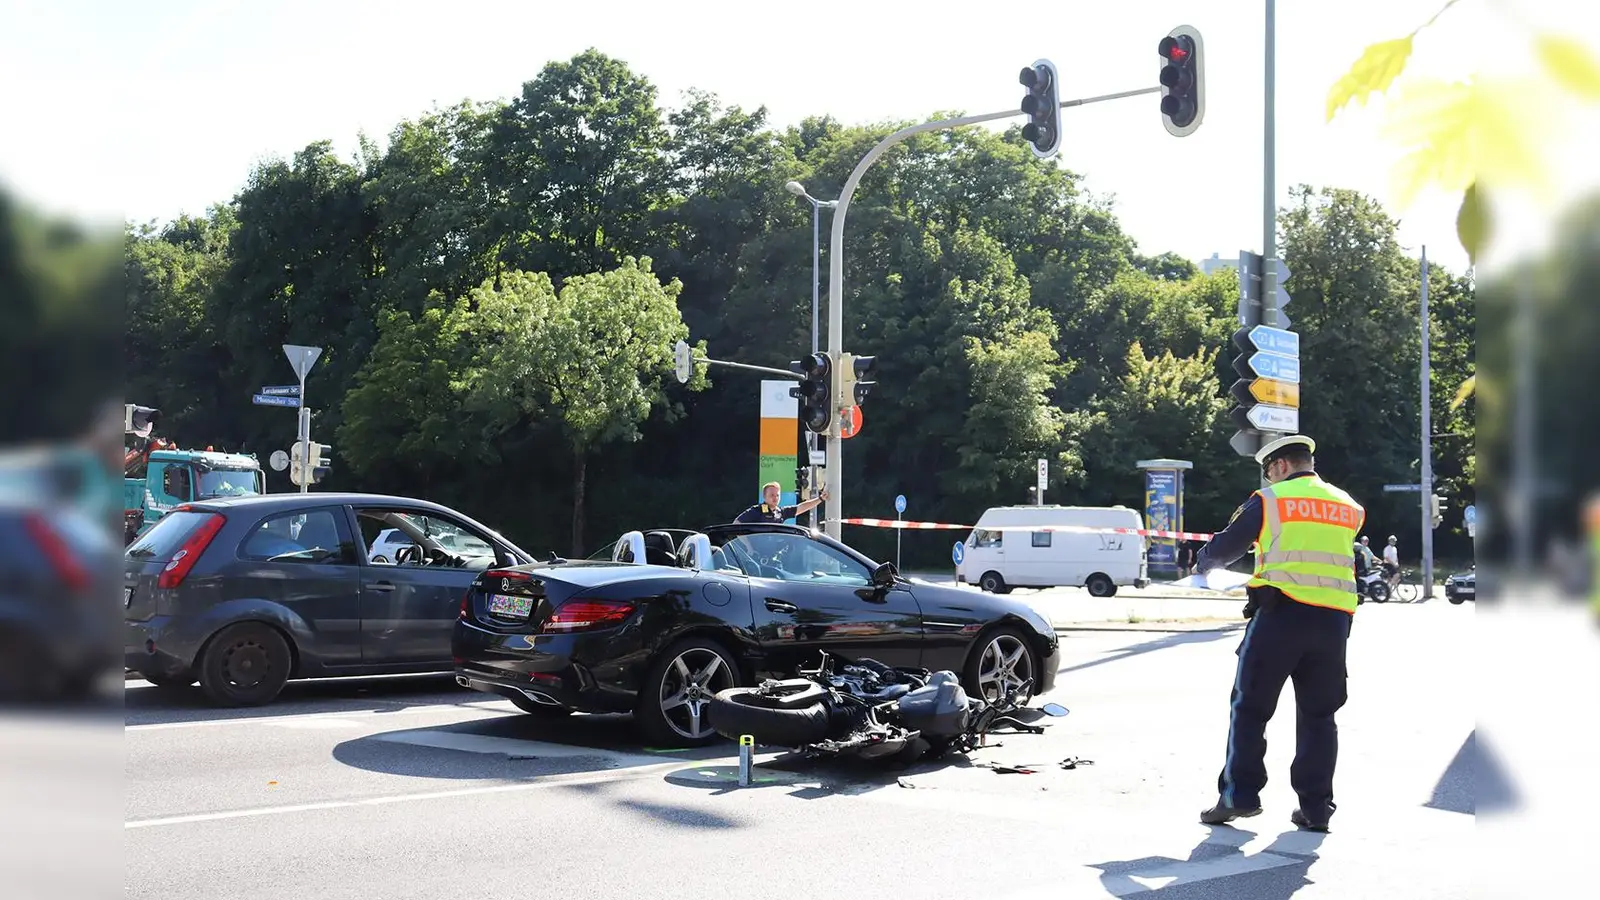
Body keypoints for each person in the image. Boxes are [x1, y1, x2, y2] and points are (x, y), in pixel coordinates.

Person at [1190, 434, 1364, 833]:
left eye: (1269, 471)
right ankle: (1317, 809)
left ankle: (1240, 796)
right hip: (1334, 623)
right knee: (1320, 717)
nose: (1269, 478)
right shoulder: (1348, 506)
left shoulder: (1271, 499)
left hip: (1280, 615)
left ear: (1281, 466)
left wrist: (1202, 563)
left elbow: (1225, 548)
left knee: (1250, 709)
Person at [736, 481, 827, 524]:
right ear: (764, 497)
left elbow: (801, 507)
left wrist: (820, 499)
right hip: (758, 553)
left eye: (777, 495)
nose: (775, 498)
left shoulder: (780, 512)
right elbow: (736, 524)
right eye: (772, 495)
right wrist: (749, 547)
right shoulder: (756, 511)